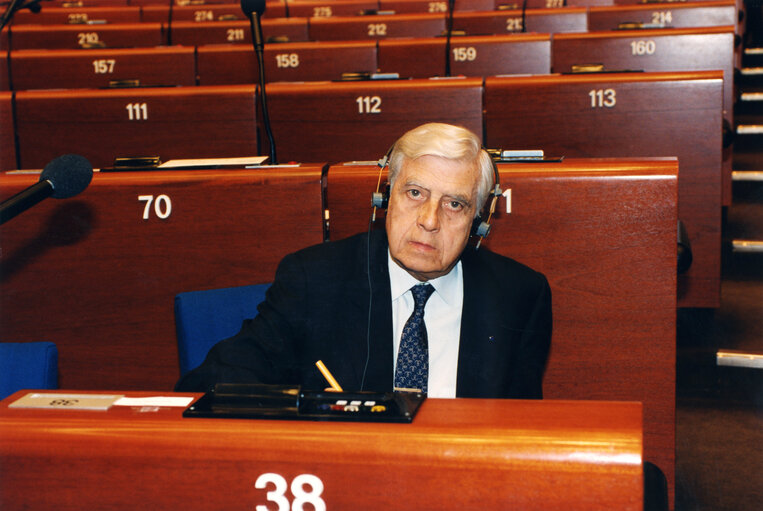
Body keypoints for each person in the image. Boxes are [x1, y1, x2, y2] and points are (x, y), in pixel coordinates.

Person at [176, 123, 552, 398]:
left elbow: (521, 426)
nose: (430, 220)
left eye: (455, 204)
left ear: (479, 221)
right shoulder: (315, 279)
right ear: (384, 199)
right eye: (416, 193)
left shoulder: (519, 296)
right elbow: (216, 377)